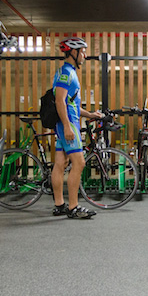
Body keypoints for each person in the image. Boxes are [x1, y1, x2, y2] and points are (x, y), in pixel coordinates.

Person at [51, 37, 103, 219]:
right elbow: (59, 101)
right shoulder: (66, 73)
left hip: (66, 123)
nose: (85, 55)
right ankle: (73, 207)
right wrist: (67, 126)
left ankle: (59, 205)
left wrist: (90, 115)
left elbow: (70, 103)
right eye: (82, 51)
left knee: (60, 164)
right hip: (68, 125)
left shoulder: (68, 72)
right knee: (79, 163)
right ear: (73, 52)